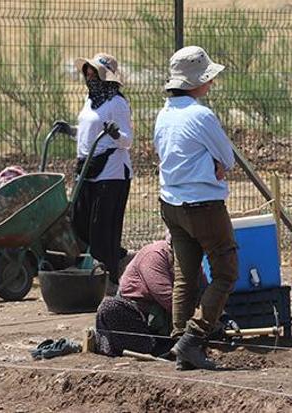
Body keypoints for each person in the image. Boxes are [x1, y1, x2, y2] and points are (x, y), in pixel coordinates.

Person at [154, 46, 238, 370]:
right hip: (204, 205)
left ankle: (178, 341)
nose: (211, 83)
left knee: (185, 277)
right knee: (226, 272)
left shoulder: (163, 113)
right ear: (197, 82)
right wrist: (215, 163)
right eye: (208, 78)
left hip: (170, 203)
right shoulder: (201, 115)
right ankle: (194, 338)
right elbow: (227, 158)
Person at [54, 53, 133, 291]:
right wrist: (71, 130)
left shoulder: (117, 103)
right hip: (87, 168)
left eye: (93, 72)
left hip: (111, 172)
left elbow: (127, 141)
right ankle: (108, 264)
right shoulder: (90, 100)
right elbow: (88, 130)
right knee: (79, 221)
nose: (88, 75)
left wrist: (116, 134)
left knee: (102, 226)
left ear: (104, 76)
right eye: (86, 71)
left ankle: (108, 278)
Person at [93, 235, 208, 359]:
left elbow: (204, 292)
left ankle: (172, 347)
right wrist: (202, 319)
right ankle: (158, 349)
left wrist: (217, 317)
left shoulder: (192, 262)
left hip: (166, 319)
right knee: (109, 307)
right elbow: (167, 298)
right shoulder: (154, 255)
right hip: (136, 315)